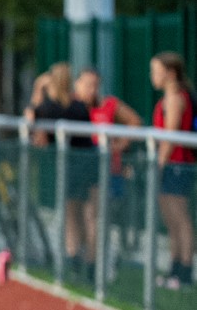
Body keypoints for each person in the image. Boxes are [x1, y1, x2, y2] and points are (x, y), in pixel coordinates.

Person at [27, 62, 98, 281]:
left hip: (69, 167)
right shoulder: (79, 107)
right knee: (90, 217)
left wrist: (37, 90)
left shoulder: (48, 108)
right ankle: (90, 266)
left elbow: (32, 122)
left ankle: (74, 260)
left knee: (72, 217)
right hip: (90, 164)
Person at [73, 67, 144, 278]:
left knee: (96, 215)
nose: (91, 90)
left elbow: (135, 122)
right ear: (77, 84)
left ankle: (94, 264)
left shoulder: (108, 105)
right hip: (78, 168)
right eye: (87, 84)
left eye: (95, 85)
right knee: (79, 215)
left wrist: (120, 144)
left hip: (106, 170)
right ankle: (80, 257)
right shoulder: (73, 106)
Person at [149, 51, 195, 288]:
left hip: (177, 165)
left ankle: (185, 270)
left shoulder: (177, 98)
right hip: (169, 164)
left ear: (171, 73)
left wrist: (159, 165)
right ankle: (174, 267)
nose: (152, 76)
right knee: (170, 219)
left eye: (156, 71)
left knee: (180, 218)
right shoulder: (165, 100)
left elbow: (170, 135)